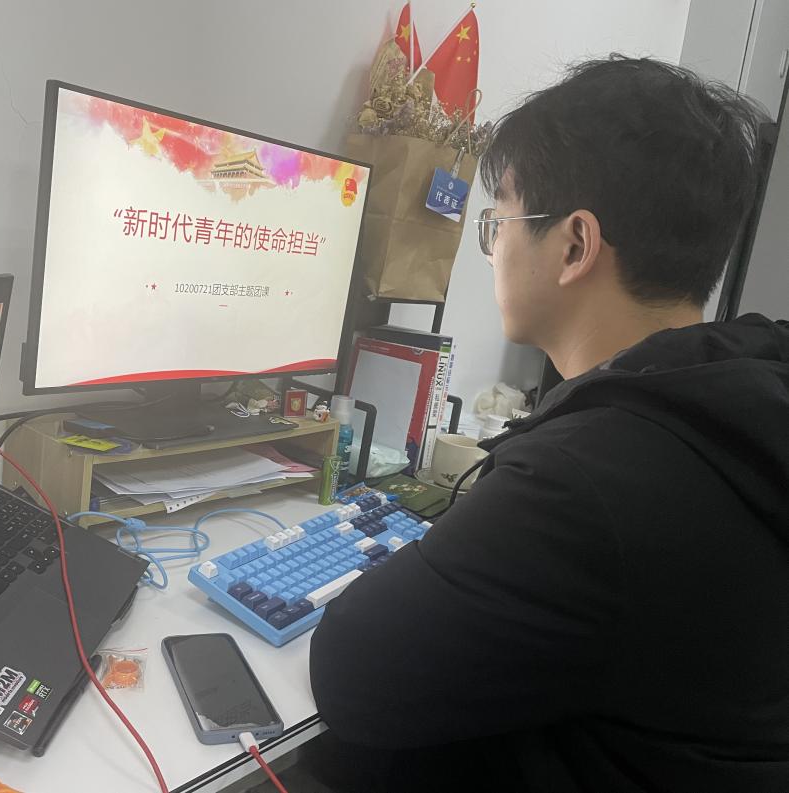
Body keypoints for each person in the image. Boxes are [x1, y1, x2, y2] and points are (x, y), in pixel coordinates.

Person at [308, 55, 789, 792]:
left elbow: (351, 678)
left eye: (497, 223)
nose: (492, 250)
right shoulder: (740, 394)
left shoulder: (592, 477)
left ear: (573, 246)